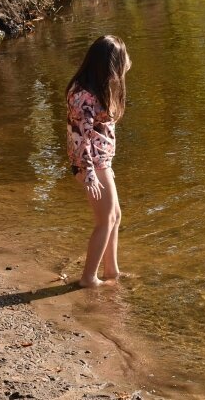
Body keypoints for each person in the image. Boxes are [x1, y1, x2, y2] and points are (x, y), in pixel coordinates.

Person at [66, 35, 132, 288]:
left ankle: (111, 271)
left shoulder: (94, 87)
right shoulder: (84, 96)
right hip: (90, 163)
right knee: (105, 220)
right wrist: (90, 172)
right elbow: (81, 138)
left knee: (115, 215)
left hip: (100, 162)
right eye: (120, 61)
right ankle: (88, 278)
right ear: (108, 65)